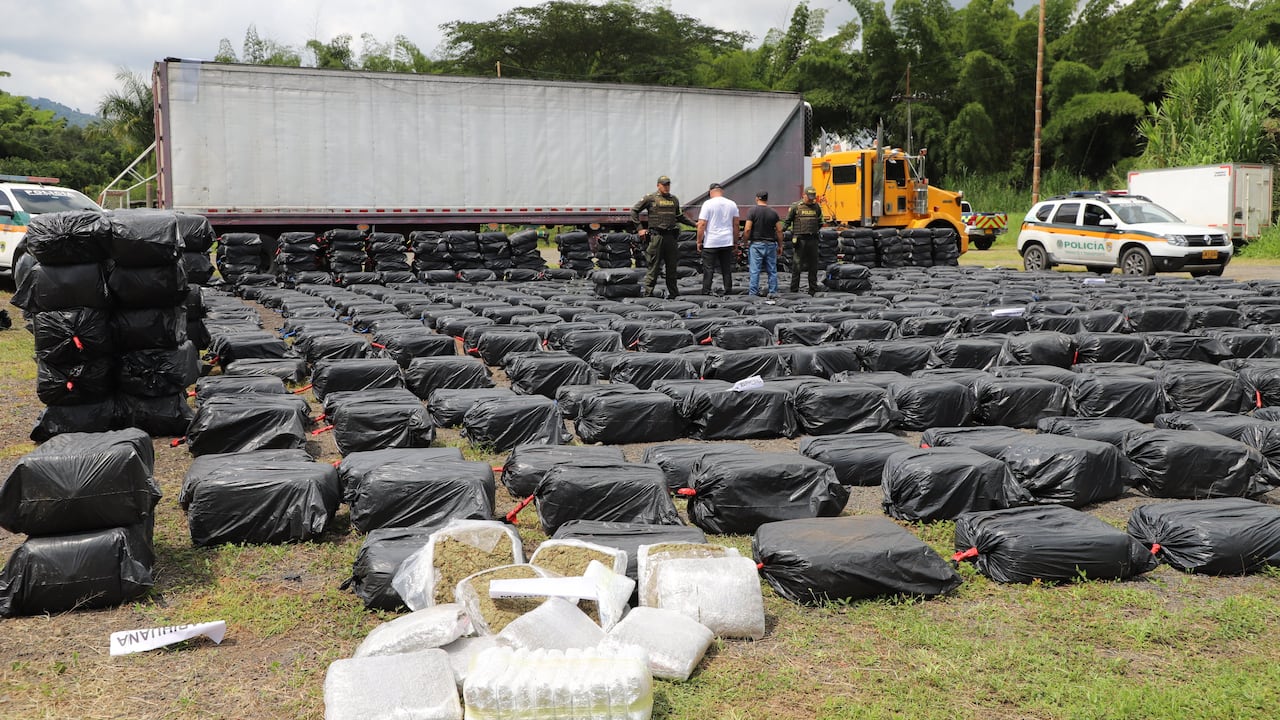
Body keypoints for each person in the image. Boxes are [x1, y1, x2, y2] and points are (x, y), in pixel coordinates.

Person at [631, 175, 692, 298]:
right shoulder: (650, 198)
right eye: (664, 184)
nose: (666, 187)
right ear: (658, 185)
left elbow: (680, 216)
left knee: (672, 268)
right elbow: (634, 211)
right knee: (653, 267)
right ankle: (648, 294)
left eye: (668, 184)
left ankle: (674, 294)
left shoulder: (674, 199)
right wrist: (640, 229)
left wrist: (695, 224)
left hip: (671, 237)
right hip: (657, 237)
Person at [695, 182, 739, 295]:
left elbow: (701, 224)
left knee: (708, 269)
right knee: (726, 268)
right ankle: (728, 290)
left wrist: (699, 241)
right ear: (722, 191)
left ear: (710, 192)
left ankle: (706, 291)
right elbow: (736, 225)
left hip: (711, 242)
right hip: (727, 241)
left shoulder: (707, 204)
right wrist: (735, 241)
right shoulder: (732, 204)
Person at [784, 185, 825, 295]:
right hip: (800, 240)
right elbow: (787, 222)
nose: (811, 199)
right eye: (809, 197)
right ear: (804, 195)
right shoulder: (796, 207)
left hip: (813, 239)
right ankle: (794, 290)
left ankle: (813, 289)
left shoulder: (816, 207)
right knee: (797, 266)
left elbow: (821, 221)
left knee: (813, 266)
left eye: (813, 197)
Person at [742, 190, 783, 298]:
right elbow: (779, 230)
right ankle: (773, 292)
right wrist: (780, 245)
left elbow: (747, 229)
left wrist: (745, 242)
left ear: (757, 198)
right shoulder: (773, 212)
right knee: (772, 271)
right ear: (766, 199)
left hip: (756, 245)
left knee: (755, 271)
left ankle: (753, 293)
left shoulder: (752, 211)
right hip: (770, 244)